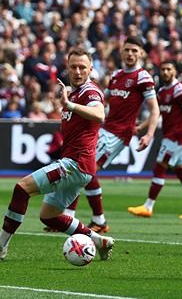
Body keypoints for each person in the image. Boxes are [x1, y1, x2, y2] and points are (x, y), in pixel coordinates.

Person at [0, 48, 114, 260]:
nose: (78, 71)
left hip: (76, 164)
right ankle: (99, 241)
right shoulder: (74, 93)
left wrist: (69, 105)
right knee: (49, 216)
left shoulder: (90, 92)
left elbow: (100, 114)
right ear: (67, 68)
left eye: (83, 67)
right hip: (81, 166)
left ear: (91, 69)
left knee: (22, 188)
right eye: (73, 67)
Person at [62, 36, 160, 232]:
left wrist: (149, 134)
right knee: (88, 171)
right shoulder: (115, 76)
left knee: (83, 169)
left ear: (141, 53)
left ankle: (68, 217)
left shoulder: (143, 77)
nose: (130, 54)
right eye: (127, 50)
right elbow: (102, 100)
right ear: (121, 52)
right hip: (105, 129)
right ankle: (98, 220)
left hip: (117, 134)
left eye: (134, 50)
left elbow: (155, 109)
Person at [127, 61, 182, 218]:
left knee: (159, 168)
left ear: (174, 71)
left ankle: (148, 206)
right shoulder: (162, 92)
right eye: (163, 69)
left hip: (177, 137)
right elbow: (156, 113)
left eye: (169, 69)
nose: (165, 72)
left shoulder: (180, 91)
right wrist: (141, 127)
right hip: (172, 136)